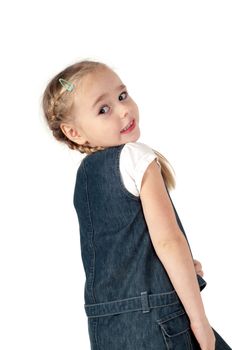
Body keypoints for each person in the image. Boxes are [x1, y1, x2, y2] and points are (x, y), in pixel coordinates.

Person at [42, 59, 231, 349]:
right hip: (159, 319)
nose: (124, 109)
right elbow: (168, 242)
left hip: (105, 327)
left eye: (122, 95)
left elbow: (120, 256)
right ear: (74, 132)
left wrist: (169, 273)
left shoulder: (85, 177)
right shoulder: (135, 156)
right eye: (103, 109)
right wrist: (199, 322)